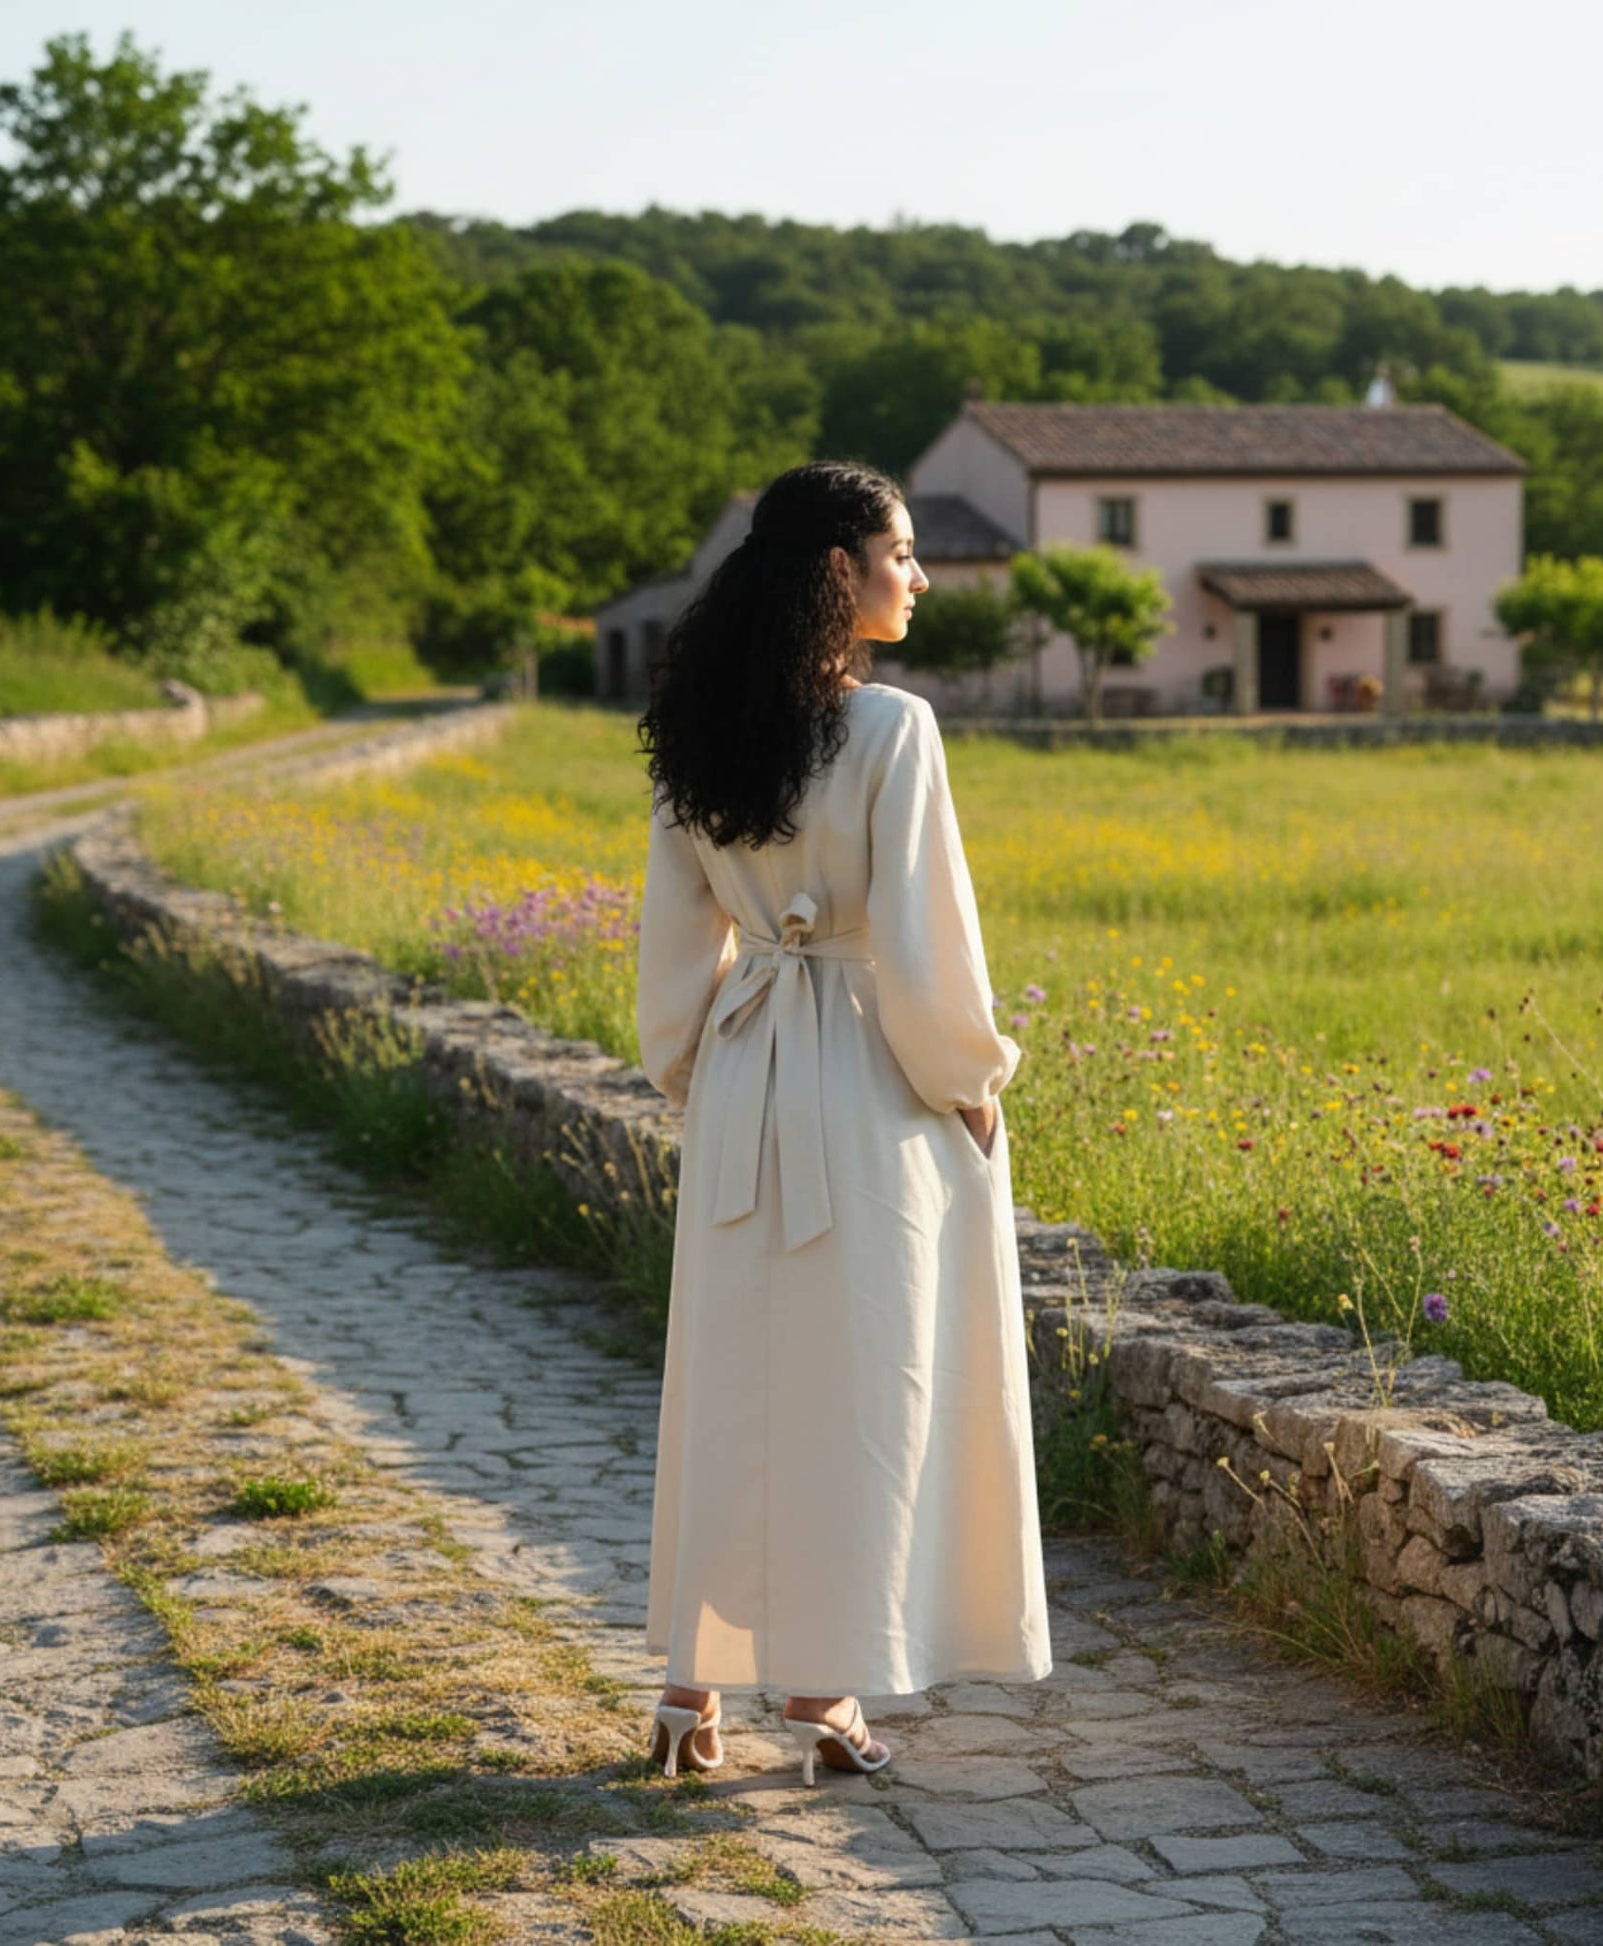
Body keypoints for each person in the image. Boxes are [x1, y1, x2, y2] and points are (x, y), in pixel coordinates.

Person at [633, 459, 1051, 1786]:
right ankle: (820, 1694)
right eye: (902, 554)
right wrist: (970, 1082)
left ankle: (684, 1692)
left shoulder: (692, 729)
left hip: (747, 1070)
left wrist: (692, 1070)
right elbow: (925, 940)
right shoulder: (891, 730)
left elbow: (669, 946)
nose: (917, 577)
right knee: (859, 1390)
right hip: (866, 1083)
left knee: (729, 1378)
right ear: (839, 572)